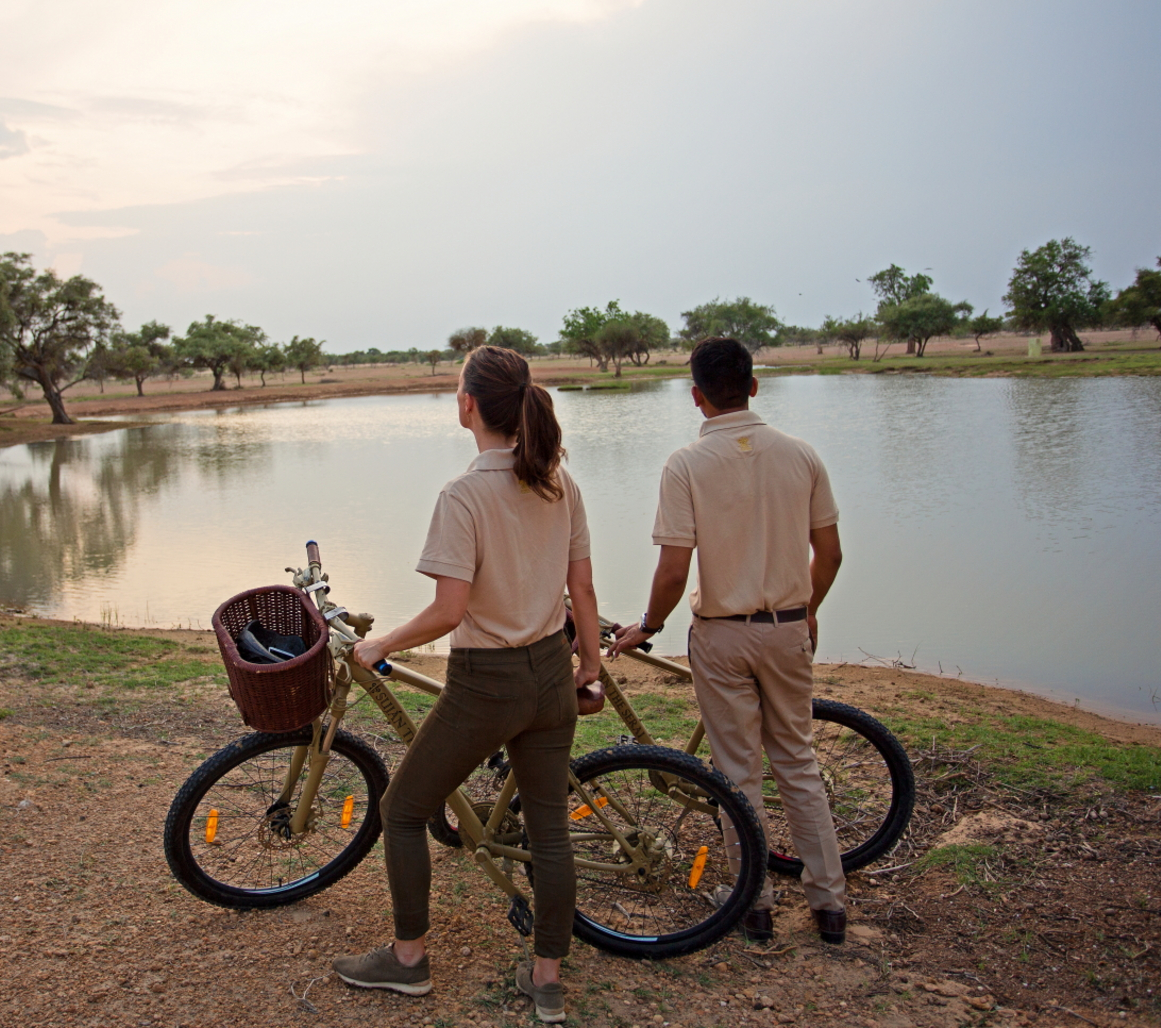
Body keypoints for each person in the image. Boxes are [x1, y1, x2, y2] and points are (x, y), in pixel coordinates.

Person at [333, 345, 603, 1023]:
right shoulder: (558, 482)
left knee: (400, 809)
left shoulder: (463, 495)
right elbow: (583, 589)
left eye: (459, 389)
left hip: (488, 681)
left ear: (470, 405)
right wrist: (590, 666)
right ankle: (545, 978)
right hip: (550, 671)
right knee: (549, 829)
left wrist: (381, 643)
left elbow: (451, 611)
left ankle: (408, 960)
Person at [609, 336, 848, 945]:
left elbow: (673, 569)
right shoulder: (802, 455)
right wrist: (807, 609)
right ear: (755, 385)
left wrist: (650, 626)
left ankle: (755, 901)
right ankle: (829, 903)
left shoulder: (686, 465)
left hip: (721, 635)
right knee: (798, 760)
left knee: (736, 770)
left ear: (696, 396)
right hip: (789, 627)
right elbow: (831, 553)